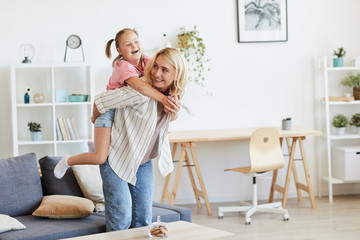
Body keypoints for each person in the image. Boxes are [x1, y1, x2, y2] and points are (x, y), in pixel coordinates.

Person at [54, 28, 171, 179]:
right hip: (109, 111)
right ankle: (68, 160)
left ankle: (98, 143)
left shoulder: (148, 62)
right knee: (100, 157)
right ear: (119, 50)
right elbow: (141, 87)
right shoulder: (122, 66)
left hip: (125, 113)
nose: (134, 46)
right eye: (128, 44)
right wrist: (163, 99)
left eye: (136, 41)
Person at [94, 47, 188, 231]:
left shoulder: (177, 92)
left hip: (143, 159)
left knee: (144, 218)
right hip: (116, 157)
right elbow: (101, 101)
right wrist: (94, 118)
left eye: (165, 70)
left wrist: (174, 113)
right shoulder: (139, 89)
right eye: (156, 67)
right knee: (121, 218)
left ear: (178, 74)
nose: (156, 73)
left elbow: (163, 120)